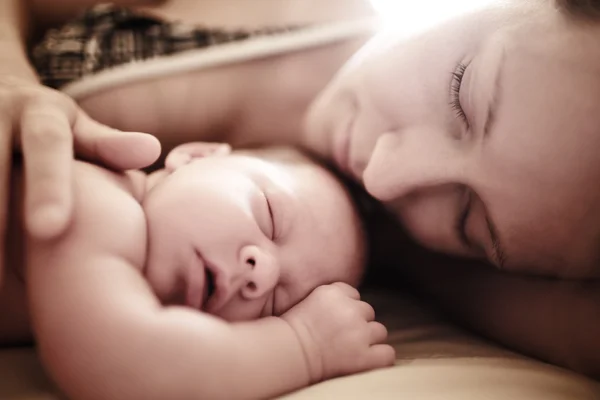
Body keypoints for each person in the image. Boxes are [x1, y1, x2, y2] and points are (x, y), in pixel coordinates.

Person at [0, 140, 394, 399]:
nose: (263, 273)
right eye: (270, 216)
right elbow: (130, 364)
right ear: (196, 157)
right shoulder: (95, 198)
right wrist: (302, 346)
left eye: (277, 304)